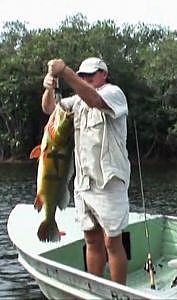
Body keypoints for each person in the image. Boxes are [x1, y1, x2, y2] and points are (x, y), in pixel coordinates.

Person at [41, 57, 130, 285]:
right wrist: (50, 87)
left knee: (112, 241)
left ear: (104, 74)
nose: (85, 78)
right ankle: (95, 289)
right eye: (82, 75)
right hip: (83, 184)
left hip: (109, 183)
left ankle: (118, 292)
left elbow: (94, 99)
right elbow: (50, 108)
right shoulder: (77, 101)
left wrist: (66, 72)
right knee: (91, 239)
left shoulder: (113, 93)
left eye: (91, 74)